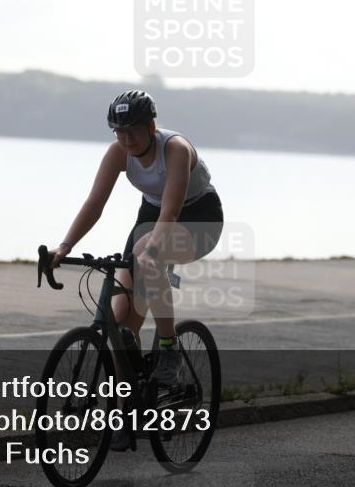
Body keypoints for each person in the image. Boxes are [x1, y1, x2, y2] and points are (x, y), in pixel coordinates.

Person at [47, 90, 223, 389]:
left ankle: (170, 349)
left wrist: (152, 250)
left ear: (151, 128)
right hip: (151, 216)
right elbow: (94, 204)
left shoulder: (176, 150)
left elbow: (171, 210)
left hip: (199, 219)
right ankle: (127, 414)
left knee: (146, 250)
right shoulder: (118, 152)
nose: (126, 140)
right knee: (122, 321)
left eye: (133, 132)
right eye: (120, 132)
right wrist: (65, 246)